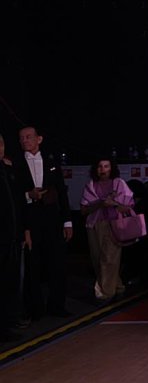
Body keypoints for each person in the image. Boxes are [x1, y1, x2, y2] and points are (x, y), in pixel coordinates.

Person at [15, 125, 73, 319]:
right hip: (30, 220)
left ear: (39, 139)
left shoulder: (51, 161)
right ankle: (35, 309)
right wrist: (28, 195)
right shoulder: (15, 164)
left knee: (57, 263)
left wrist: (67, 221)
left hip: (52, 219)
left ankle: (57, 305)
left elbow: (61, 191)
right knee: (33, 265)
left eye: (28, 137)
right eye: (22, 138)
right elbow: (13, 195)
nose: (24, 140)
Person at [80, 156, 134, 302]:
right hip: (94, 225)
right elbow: (84, 210)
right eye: (100, 166)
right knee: (97, 258)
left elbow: (128, 206)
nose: (103, 170)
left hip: (114, 224)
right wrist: (101, 203)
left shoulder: (119, 184)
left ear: (111, 168)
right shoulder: (91, 185)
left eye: (106, 166)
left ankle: (106, 293)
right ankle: (118, 286)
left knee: (109, 258)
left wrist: (114, 204)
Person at [0, 136, 30, 340]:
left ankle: (7, 325)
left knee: (9, 283)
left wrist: (24, 231)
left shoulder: (8, 170)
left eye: (1, 144)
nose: (0, 148)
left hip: (12, 238)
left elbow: (18, 202)